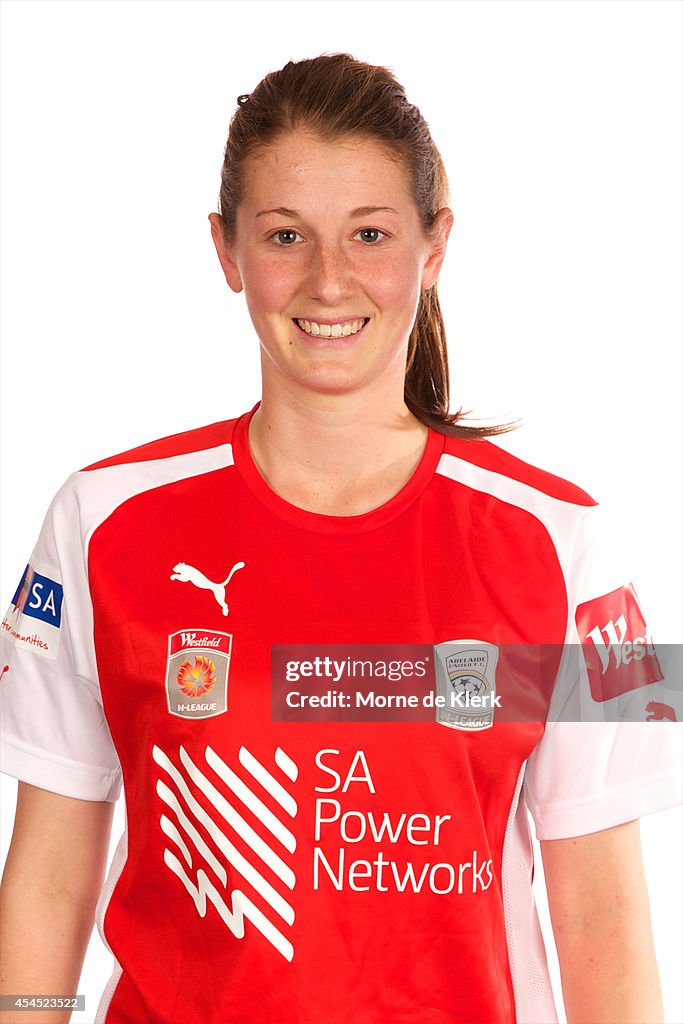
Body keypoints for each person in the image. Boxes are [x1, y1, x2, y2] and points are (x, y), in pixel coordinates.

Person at [0, 53, 680, 1024]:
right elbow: (48, 878)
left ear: (432, 245)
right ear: (227, 251)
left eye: (369, 233)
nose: (327, 280)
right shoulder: (101, 517)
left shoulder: (569, 543)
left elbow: (604, 912)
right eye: (285, 235)